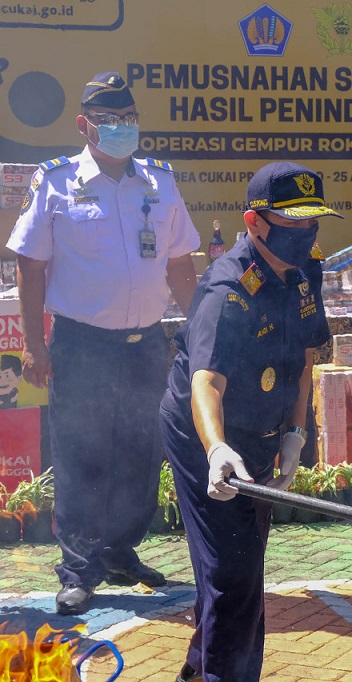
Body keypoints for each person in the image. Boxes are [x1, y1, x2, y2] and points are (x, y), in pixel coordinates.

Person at [7, 72, 199, 615]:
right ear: (84, 124)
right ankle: (79, 567)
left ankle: (120, 552)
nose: (121, 127)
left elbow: (181, 264)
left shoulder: (160, 182)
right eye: (109, 118)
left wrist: (207, 325)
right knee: (83, 455)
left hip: (144, 343)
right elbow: (30, 264)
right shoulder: (57, 181)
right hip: (81, 344)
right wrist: (34, 346)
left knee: (141, 451)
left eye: (128, 117)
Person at [159, 162, 340, 682]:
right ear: (255, 222)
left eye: (313, 223)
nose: (304, 235)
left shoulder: (307, 270)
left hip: (262, 431)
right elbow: (206, 382)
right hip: (205, 439)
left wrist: (295, 433)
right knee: (234, 575)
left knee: (235, 567)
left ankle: (198, 670)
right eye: (291, 225)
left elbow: (303, 358)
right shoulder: (227, 287)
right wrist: (216, 450)